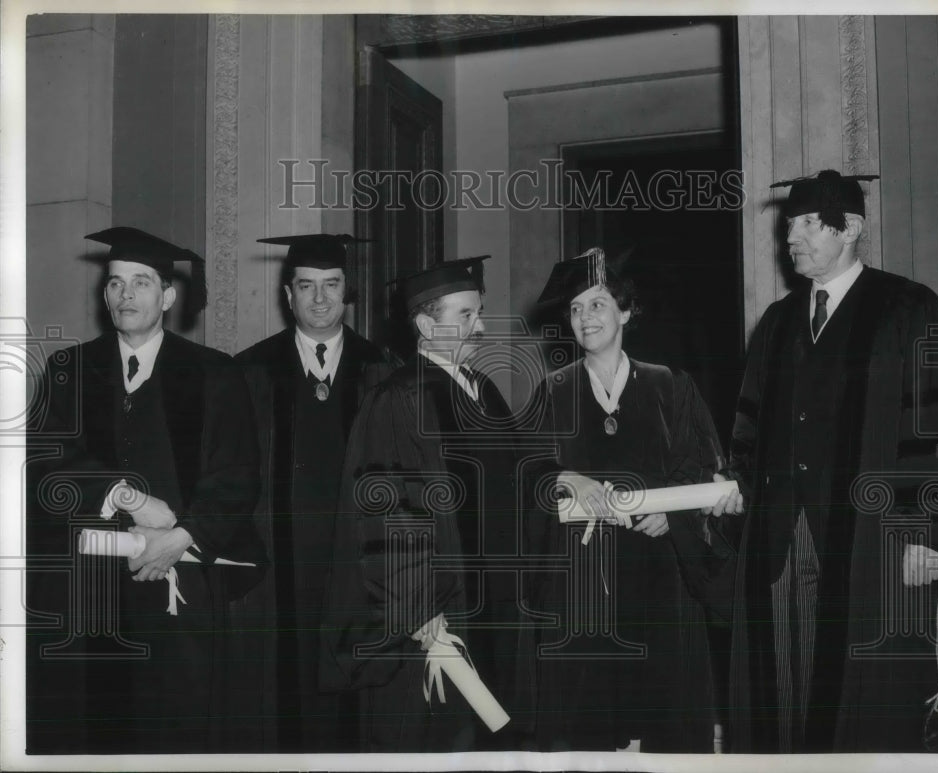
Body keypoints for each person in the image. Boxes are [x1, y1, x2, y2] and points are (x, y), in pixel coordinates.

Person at [721, 170, 938, 752]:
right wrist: (734, 486)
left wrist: (933, 536)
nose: (793, 238)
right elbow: (749, 430)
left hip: (875, 543)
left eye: (809, 224)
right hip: (781, 541)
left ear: (851, 227)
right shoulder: (777, 324)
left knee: (869, 701)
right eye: (790, 227)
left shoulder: (909, 307)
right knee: (780, 693)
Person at [26, 227, 266, 754]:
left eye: (141, 282)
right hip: (90, 591)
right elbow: (44, 466)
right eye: (116, 283)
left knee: (173, 728)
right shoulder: (70, 369)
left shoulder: (213, 373)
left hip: (180, 587)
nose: (126, 294)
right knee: (91, 732)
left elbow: (238, 476)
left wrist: (183, 536)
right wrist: (120, 493)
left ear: (168, 296)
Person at [319, 255, 572, 752]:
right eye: (464, 316)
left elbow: (519, 477)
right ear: (424, 324)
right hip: (432, 615)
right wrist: (418, 608)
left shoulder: (483, 390)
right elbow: (384, 506)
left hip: (491, 604)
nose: (478, 327)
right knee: (433, 741)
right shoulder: (399, 397)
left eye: (478, 313)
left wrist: (563, 478)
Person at [528, 247, 739, 753]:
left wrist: (675, 512)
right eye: (575, 309)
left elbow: (704, 467)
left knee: (666, 723)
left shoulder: (671, 386)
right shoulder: (551, 393)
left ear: (625, 311)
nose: (585, 318)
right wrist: (563, 477)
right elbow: (522, 476)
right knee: (587, 731)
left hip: (662, 578)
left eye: (597, 305)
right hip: (582, 581)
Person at [235, 233, 388, 752]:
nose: (319, 298)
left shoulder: (385, 371)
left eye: (331, 284)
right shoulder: (248, 371)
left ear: (348, 291)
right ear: (287, 294)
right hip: (276, 567)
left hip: (358, 569)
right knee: (279, 702)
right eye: (306, 286)